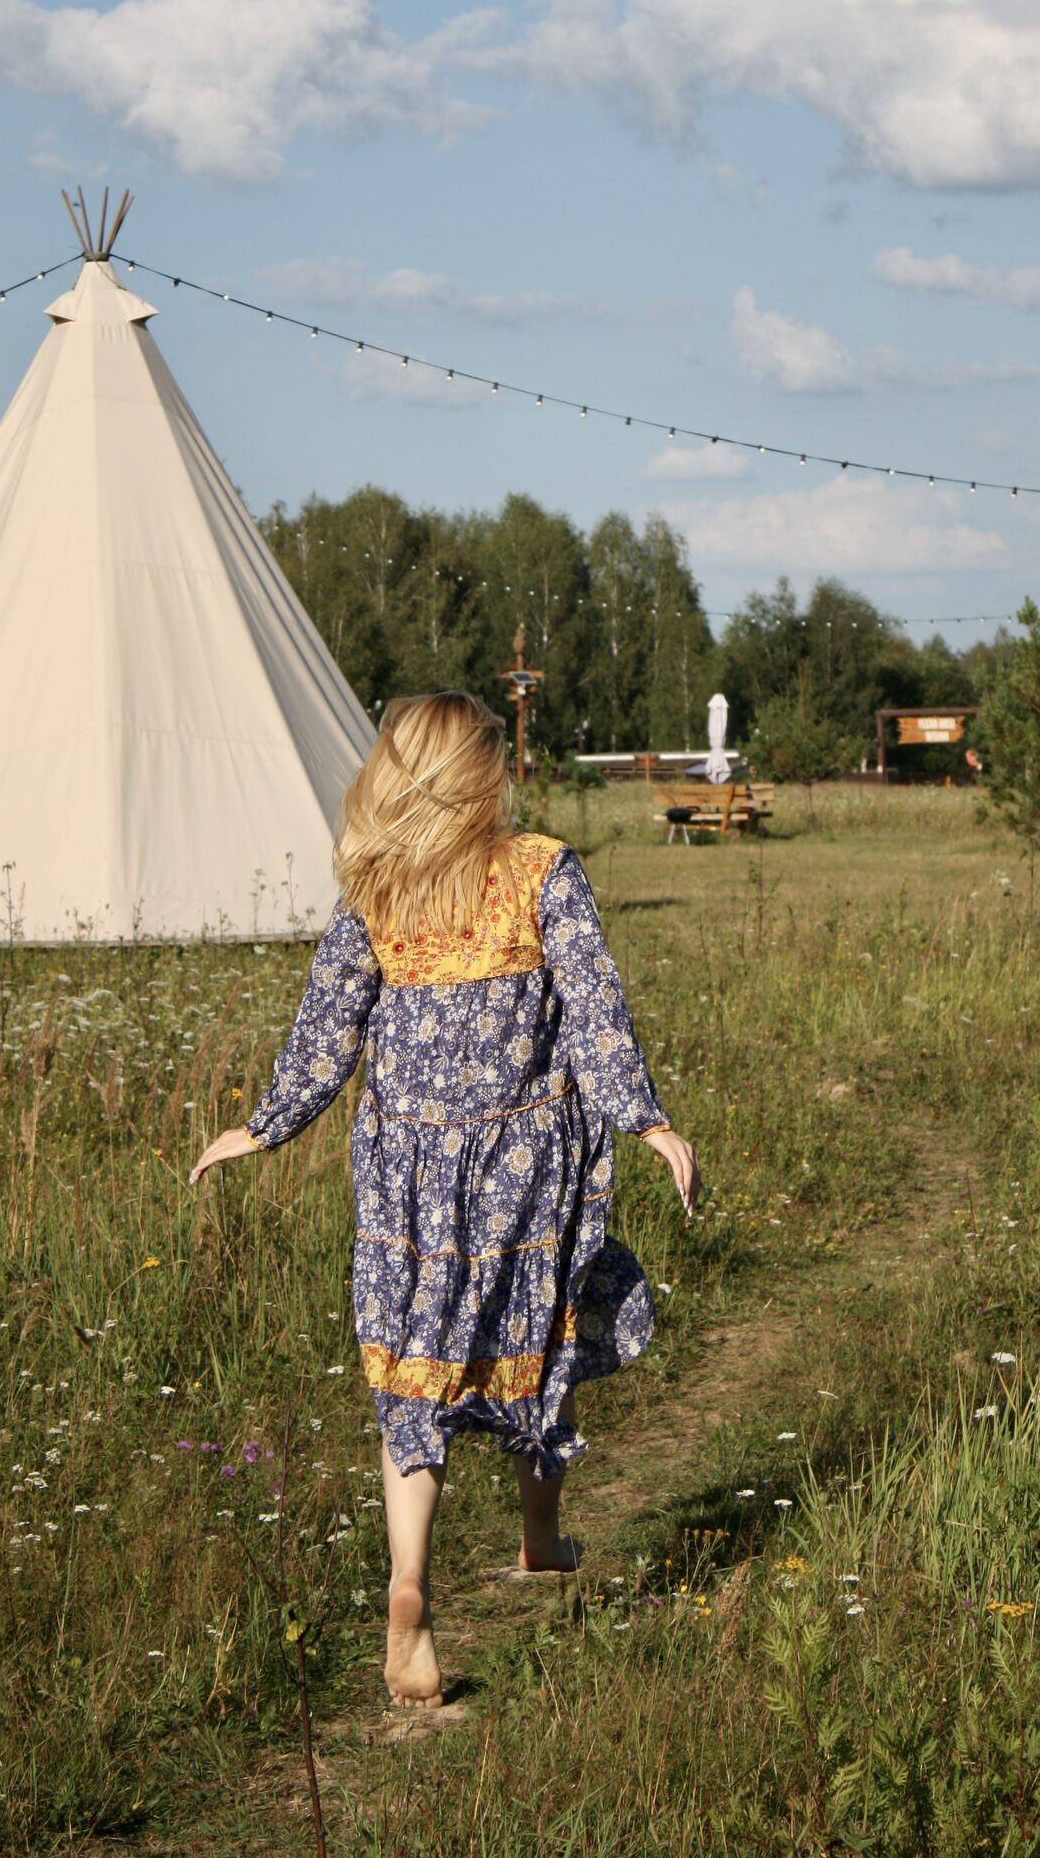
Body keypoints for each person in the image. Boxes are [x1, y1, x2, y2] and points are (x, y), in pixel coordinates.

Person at [189, 691, 697, 1708]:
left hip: (404, 1179)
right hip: (524, 1163)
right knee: (540, 1333)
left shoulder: (374, 893)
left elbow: (325, 1031)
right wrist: (647, 1121)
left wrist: (265, 1124)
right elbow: (596, 1011)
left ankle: (409, 1585)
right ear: (482, 774)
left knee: (415, 1372)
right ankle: (539, 1535)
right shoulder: (541, 870)